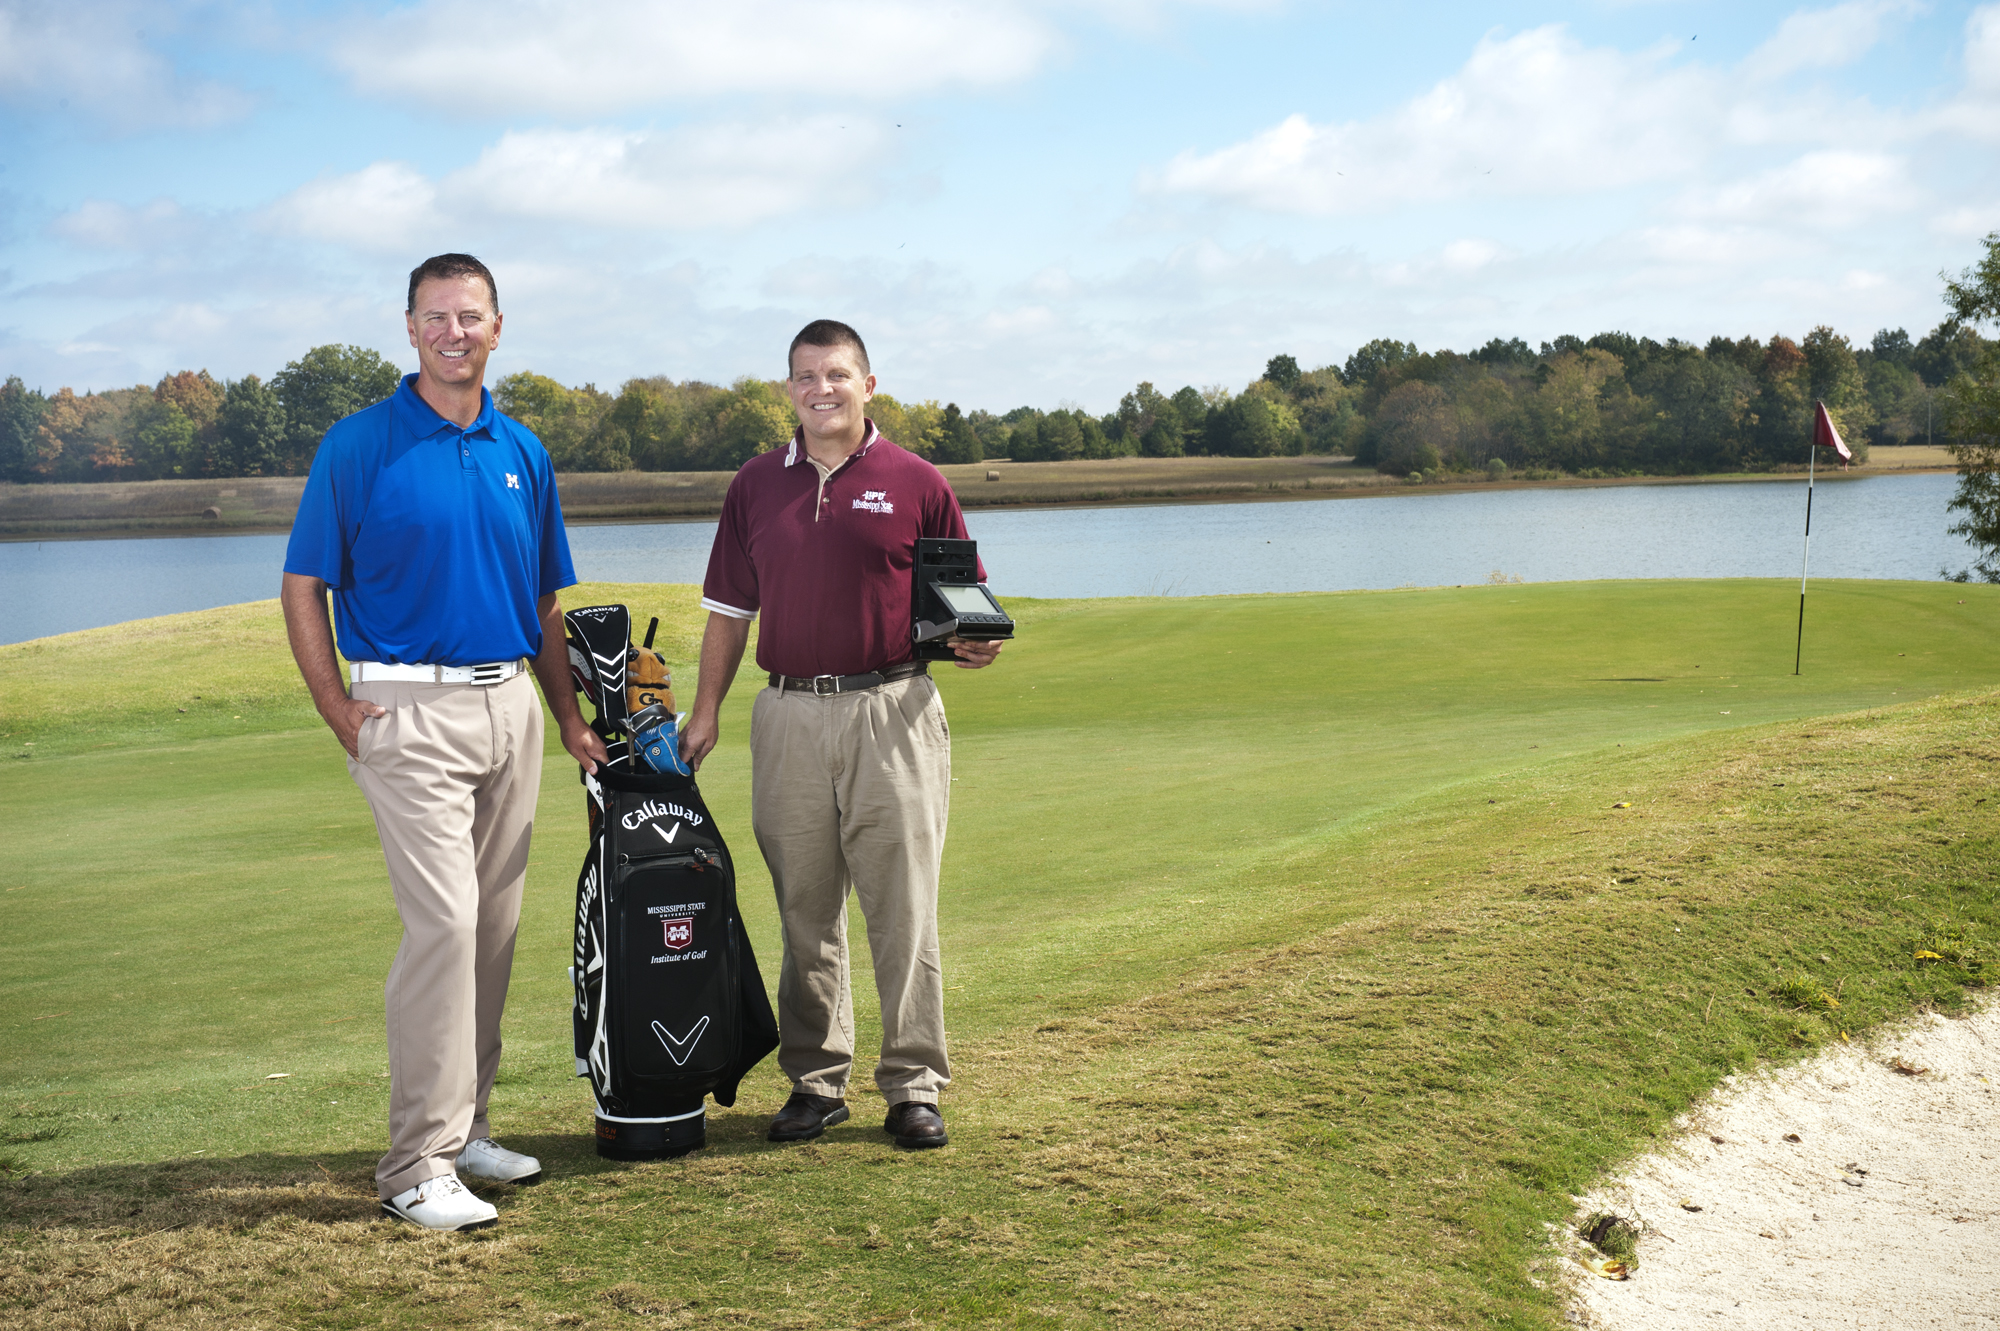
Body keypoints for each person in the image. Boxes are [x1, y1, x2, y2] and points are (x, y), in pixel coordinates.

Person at [280, 253, 608, 1231]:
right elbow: (305, 584)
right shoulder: (358, 444)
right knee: (445, 927)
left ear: (498, 328)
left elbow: (543, 602)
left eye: (471, 316)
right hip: (405, 711)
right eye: (436, 316)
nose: (453, 331)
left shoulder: (523, 450)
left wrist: (565, 715)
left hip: (509, 703)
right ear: (410, 328)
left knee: (494, 934)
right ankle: (413, 1163)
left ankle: (464, 1132)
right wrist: (338, 706)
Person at [682, 319, 1001, 1151]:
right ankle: (816, 1081)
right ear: (788, 389)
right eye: (804, 377)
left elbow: (962, 601)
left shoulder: (917, 480)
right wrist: (706, 708)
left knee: (903, 907)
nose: (820, 389)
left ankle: (913, 1083)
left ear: (869, 384)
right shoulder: (754, 485)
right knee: (805, 909)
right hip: (786, 710)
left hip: (890, 708)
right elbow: (728, 611)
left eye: (836, 375)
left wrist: (978, 643)